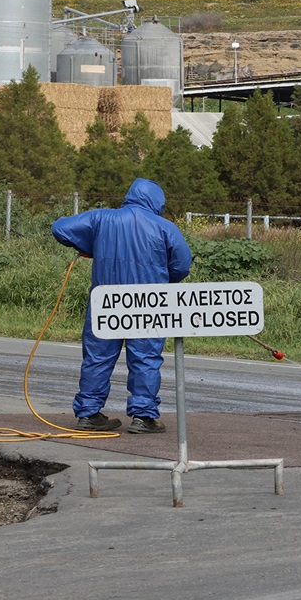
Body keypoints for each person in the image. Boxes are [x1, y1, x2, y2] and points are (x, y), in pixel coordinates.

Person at [51, 178, 193, 434]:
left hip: (105, 301)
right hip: (148, 302)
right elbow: (182, 266)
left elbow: (60, 228)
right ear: (157, 201)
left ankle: (89, 414)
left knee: (97, 357)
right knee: (146, 359)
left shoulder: (102, 219)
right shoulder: (165, 227)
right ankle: (143, 417)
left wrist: (89, 245)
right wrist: (162, 279)